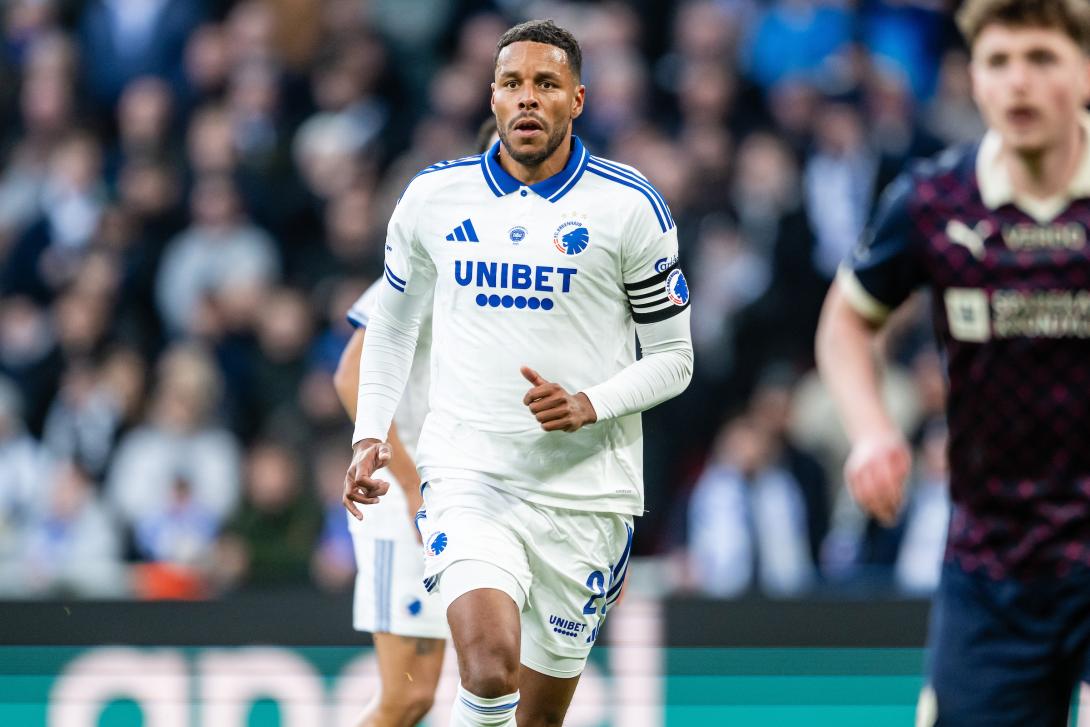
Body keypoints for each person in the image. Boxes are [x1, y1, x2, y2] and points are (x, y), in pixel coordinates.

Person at [344, 19, 693, 726]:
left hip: (586, 495)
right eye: (512, 82)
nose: (527, 97)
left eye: (546, 83)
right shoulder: (433, 199)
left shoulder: (629, 207)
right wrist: (369, 433)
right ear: (493, 97)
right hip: (469, 476)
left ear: (578, 99)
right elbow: (391, 328)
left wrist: (590, 403)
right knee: (487, 666)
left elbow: (675, 358)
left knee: (536, 718)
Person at [815, 1, 1090, 724]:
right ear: (974, 79)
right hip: (993, 563)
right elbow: (845, 323)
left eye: (1042, 59)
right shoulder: (934, 200)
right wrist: (872, 431)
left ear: (1086, 74)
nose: (1019, 81)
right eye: (999, 62)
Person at [331, 119, 498, 727]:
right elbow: (351, 374)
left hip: (480, 495)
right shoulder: (438, 255)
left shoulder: (542, 272)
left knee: (487, 685)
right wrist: (410, 487)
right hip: (409, 495)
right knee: (407, 696)